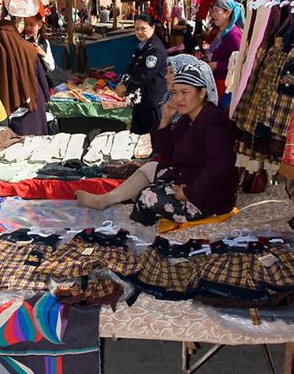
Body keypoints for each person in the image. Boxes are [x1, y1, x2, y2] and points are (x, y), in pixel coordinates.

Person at [77, 65, 237, 226]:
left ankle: (138, 234)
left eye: (185, 92)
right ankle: (105, 199)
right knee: (151, 168)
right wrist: (165, 120)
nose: (178, 98)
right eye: (175, 93)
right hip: (189, 178)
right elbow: (166, 152)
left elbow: (220, 166)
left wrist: (189, 193)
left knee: (147, 197)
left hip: (209, 197)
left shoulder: (214, 122)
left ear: (201, 93)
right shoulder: (189, 119)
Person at [0, 19, 50, 136]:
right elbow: (41, 77)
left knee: (19, 145)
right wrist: (46, 97)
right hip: (34, 100)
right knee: (39, 142)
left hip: (10, 103)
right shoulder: (30, 49)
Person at [116, 13, 167, 135]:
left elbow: (144, 75)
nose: (139, 32)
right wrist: (123, 82)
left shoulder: (155, 49)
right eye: (137, 29)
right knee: (137, 138)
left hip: (151, 102)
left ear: (153, 27)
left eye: (143, 28)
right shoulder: (142, 46)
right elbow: (131, 68)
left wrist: (126, 86)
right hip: (141, 102)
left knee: (151, 140)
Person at [162, 54, 218, 126]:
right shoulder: (169, 101)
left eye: (171, 72)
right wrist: (166, 119)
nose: (166, 76)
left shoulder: (209, 123)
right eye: (175, 92)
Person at [209, 0, 245, 101]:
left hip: (225, 84)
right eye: (213, 11)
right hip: (217, 80)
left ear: (228, 12)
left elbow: (240, 62)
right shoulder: (221, 31)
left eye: (217, 11)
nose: (213, 15)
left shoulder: (233, 34)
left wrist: (217, 65)